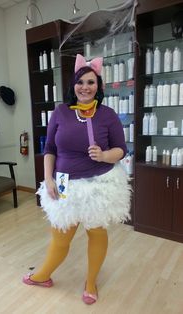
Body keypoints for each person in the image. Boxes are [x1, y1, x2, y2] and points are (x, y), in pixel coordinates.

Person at [22, 53, 131, 305]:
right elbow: (49, 148)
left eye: (91, 82)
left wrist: (104, 155)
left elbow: (121, 150)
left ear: (98, 86)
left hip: (98, 185)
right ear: (73, 85)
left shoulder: (108, 115)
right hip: (63, 184)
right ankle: (43, 275)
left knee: (96, 233)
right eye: (80, 82)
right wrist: (47, 178)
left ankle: (91, 282)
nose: (85, 87)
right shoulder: (60, 112)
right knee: (61, 237)